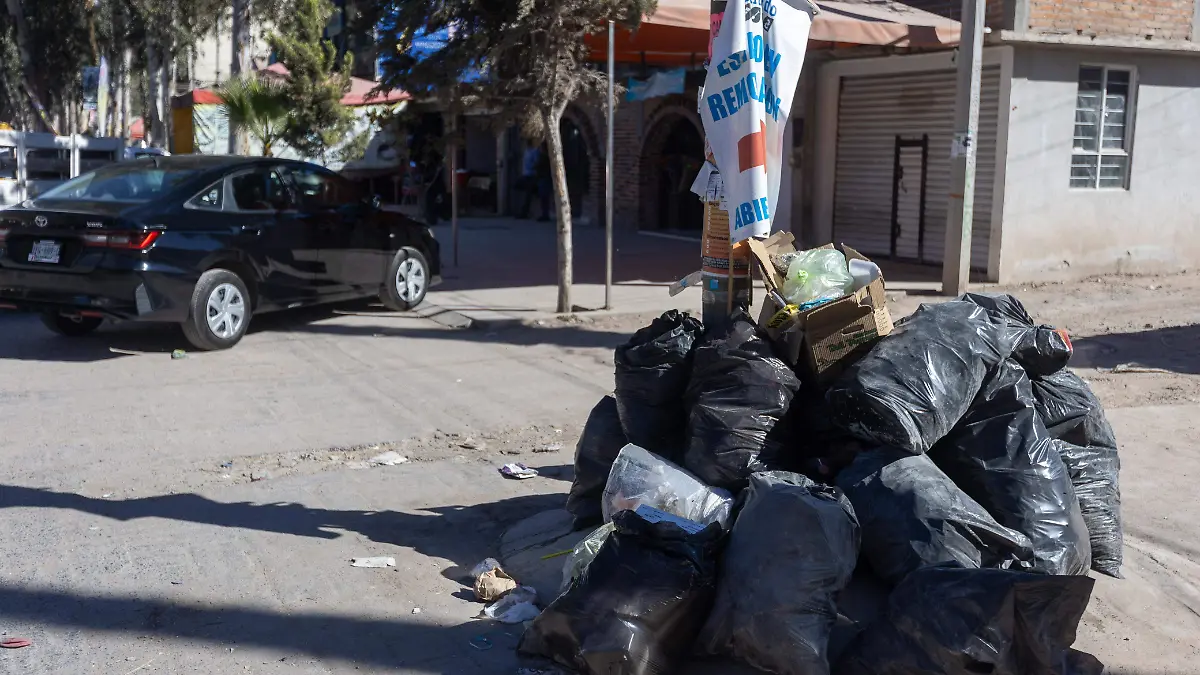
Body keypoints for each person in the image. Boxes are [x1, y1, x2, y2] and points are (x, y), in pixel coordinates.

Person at [518, 142, 541, 219]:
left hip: (529, 174)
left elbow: (535, 163)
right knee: (528, 195)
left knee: (528, 195)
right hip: (529, 174)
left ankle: (525, 212)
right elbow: (536, 163)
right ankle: (525, 212)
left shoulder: (528, 152)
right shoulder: (531, 152)